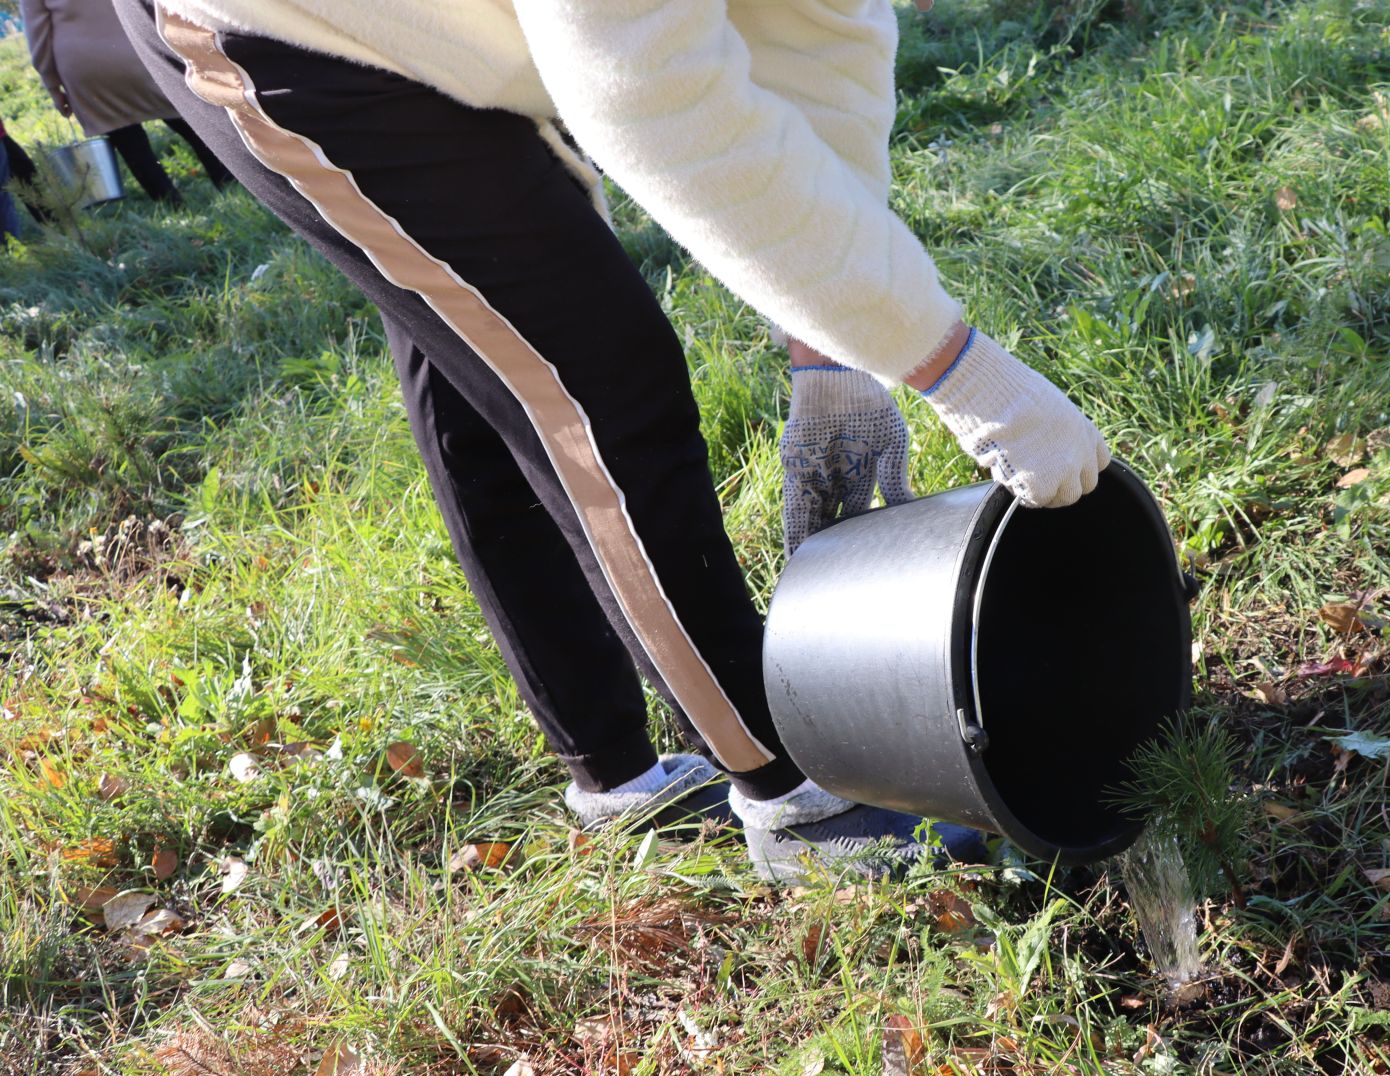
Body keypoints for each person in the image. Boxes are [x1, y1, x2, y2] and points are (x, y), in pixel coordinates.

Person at [109, 0, 1109, 882]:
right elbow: (657, 96)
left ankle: (615, 774)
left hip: (451, 26)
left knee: (496, 344)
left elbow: (818, 37)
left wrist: (833, 351)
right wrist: (953, 367)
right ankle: (795, 795)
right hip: (296, 28)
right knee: (599, 380)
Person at [23, 0, 234, 205]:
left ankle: (170, 204)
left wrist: (53, 88)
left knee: (129, 142)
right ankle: (231, 184)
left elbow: (38, 39)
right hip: (140, 49)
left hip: (88, 67)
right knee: (192, 122)